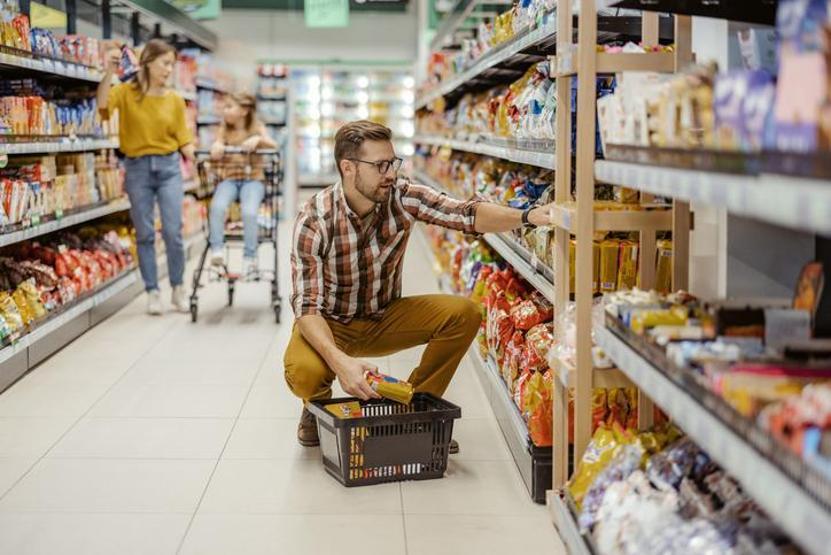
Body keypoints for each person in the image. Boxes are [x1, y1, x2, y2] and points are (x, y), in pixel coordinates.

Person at [284, 120, 555, 448]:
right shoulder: (314, 219)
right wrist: (341, 363)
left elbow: (464, 214)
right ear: (348, 168)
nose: (390, 173)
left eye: (393, 162)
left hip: (383, 316)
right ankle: (316, 407)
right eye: (380, 165)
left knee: (464, 313)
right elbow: (306, 307)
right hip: (329, 323)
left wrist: (527, 216)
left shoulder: (401, 196)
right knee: (304, 371)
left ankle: (415, 410)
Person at [97, 39, 195, 315]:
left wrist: (197, 157)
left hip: (169, 168)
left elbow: (182, 137)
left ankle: (177, 288)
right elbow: (103, 108)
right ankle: (152, 290)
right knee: (145, 234)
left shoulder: (174, 99)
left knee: (174, 232)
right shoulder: (126, 92)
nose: (169, 70)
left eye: (172, 65)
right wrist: (108, 72)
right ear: (148, 62)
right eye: (165, 63)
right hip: (137, 168)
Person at [208, 93, 277, 278]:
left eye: (229, 106)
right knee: (217, 206)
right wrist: (216, 146)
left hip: (253, 180)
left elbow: (273, 145)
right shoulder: (225, 128)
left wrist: (259, 140)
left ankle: (250, 258)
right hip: (230, 179)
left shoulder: (257, 127)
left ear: (244, 111)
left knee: (249, 212)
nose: (225, 110)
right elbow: (218, 142)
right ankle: (217, 251)